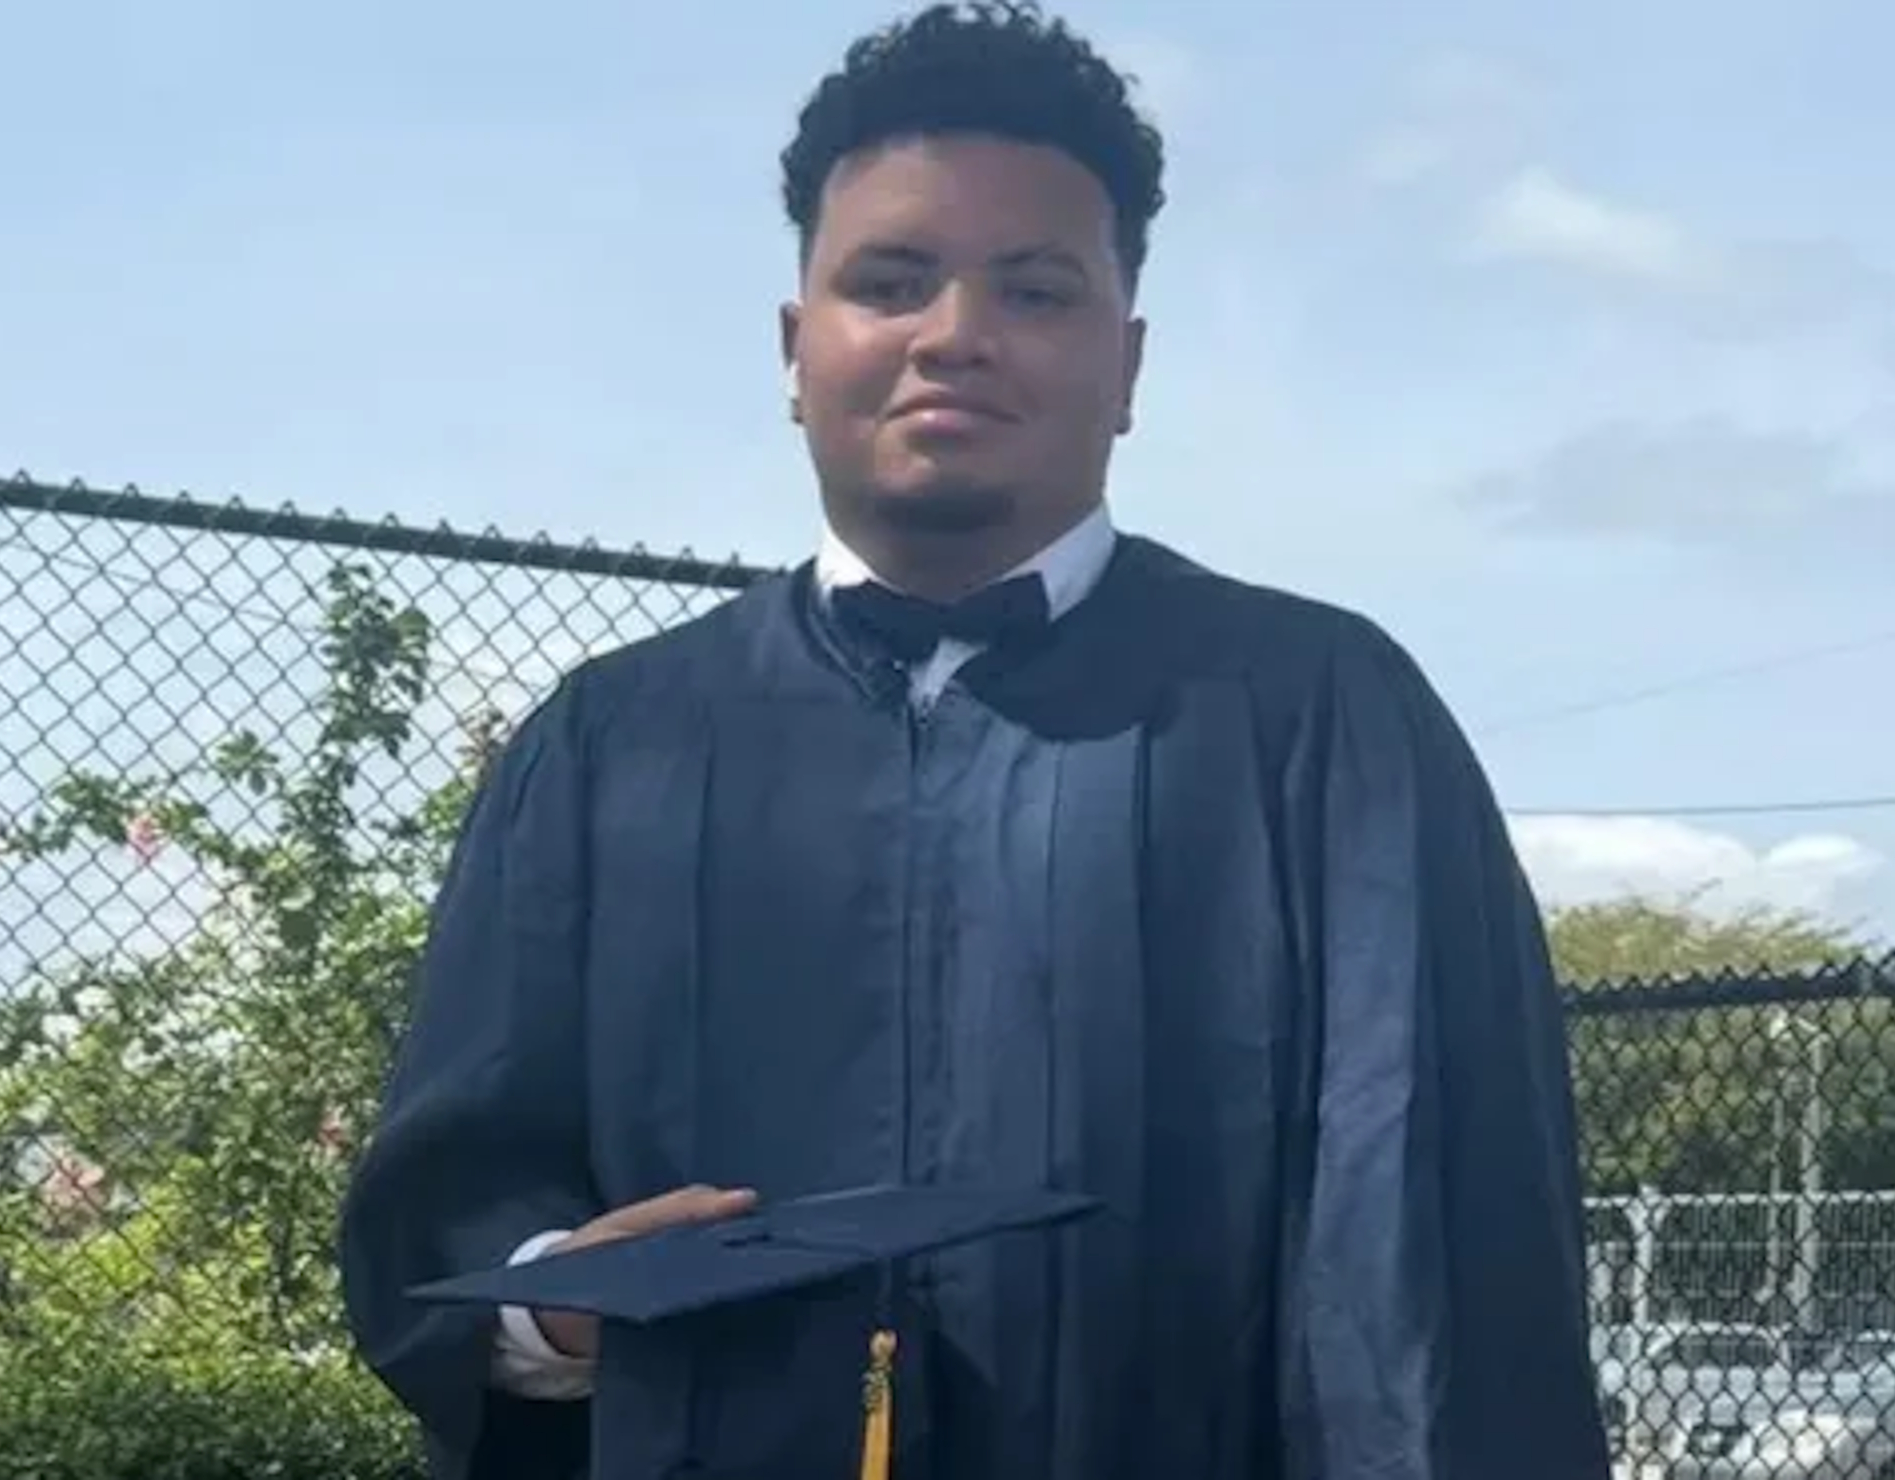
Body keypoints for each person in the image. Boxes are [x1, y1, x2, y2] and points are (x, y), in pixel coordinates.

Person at [336, 3, 1610, 1476]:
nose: (954, 336)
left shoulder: (1320, 726)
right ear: (796, 351)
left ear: (1127, 367)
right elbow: (453, 1202)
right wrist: (555, 1309)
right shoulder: (610, 747)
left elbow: (1436, 1262)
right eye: (890, 282)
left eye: (1035, 290)